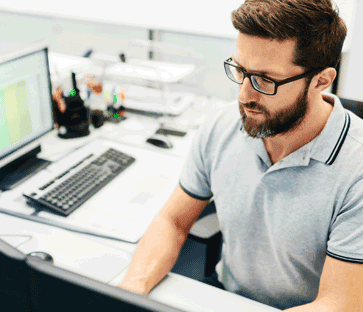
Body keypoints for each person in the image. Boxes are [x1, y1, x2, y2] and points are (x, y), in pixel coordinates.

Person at [119, 1, 363, 310]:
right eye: (241, 70)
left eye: (265, 80)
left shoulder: (357, 170)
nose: (245, 95)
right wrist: (130, 292)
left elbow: (340, 304)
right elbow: (173, 221)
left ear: (321, 80)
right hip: (225, 297)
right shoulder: (223, 124)